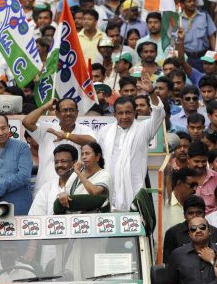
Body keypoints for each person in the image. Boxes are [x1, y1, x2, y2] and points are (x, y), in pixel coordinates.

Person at [98, 74, 164, 210]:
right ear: (114, 114)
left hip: (135, 192)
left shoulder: (144, 129)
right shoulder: (104, 132)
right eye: (120, 113)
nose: (124, 116)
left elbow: (159, 113)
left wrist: (151, 93)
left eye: (128, 112)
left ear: (135, 112)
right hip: (109, 191)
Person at [23, 98, 95, 195]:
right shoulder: (47, 129)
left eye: (72, 110)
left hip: (75, 188)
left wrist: (66, 136)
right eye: (65, 110)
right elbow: (26, 122)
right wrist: (45, 107)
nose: (69, 113)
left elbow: (92, 142)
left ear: (77, 112)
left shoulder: (85, 130)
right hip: (46, 187)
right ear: (57, 114)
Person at [57, 142, 112, 213]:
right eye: (82, 154)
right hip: (73, 220)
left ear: (97, 157)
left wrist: (78, 173)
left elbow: (94, 192)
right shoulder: (75, 174)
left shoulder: (104, 174)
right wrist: (62, 195)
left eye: (87, 153)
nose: (84, 157)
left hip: (97, 219)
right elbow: (66, 193)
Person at [29, 144, 78, 216]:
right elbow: (35, 216)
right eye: (56, 162)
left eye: (63, 161)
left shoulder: (83, 184)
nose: (59, 165)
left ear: (74, 163)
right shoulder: (47, 188)